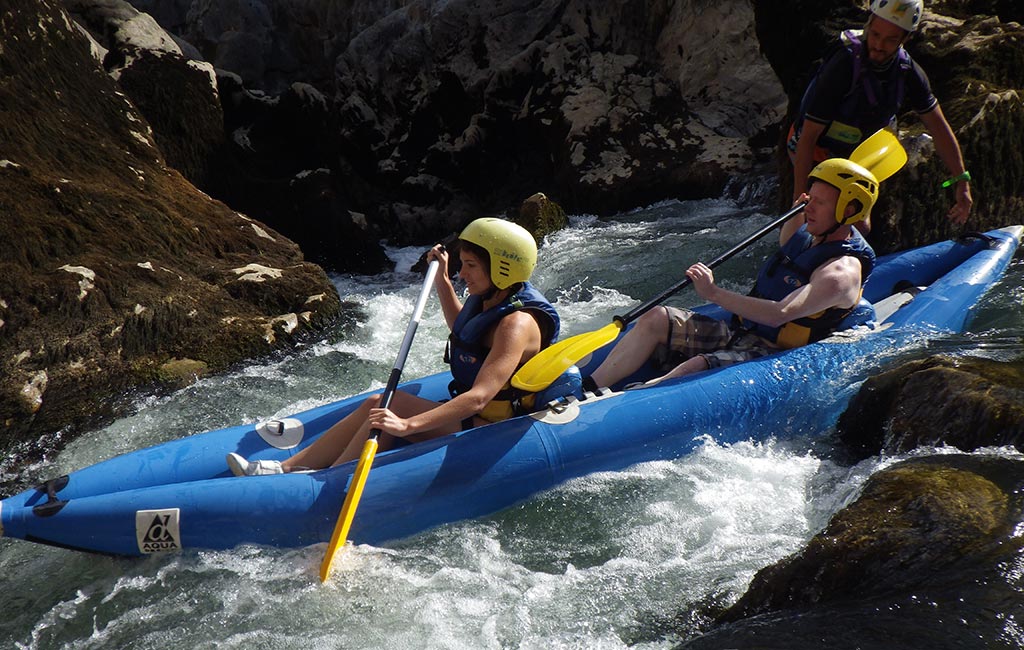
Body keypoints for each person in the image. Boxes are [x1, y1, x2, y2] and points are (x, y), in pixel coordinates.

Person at [227, 218, 561, 476]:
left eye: (471, 266)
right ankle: (286, 468)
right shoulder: (492, 299)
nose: (463, 274)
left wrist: (407, 426)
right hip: (476, 416)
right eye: (462, 264)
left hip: (493, 427)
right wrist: (442, 279)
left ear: (503, 268)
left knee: (393, 410)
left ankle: (324, 481)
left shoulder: (515, 324)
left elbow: (479, 397)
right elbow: (465, 333)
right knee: (378, 401)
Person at [583, 158, 878, 391]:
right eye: (808, 198)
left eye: (819, 203)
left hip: (774, 353)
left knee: (695, 366)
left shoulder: (840, 273)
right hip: (742, 332)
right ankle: (589, 388)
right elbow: (788, 241)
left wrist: (713, 293)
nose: (808, 207)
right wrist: (798, 209)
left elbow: (780, 314)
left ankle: (628, 403)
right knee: (656, 317)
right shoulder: (810, 234)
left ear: (848, 210)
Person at [787, 0, 971, 232]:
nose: (878, 45)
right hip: (815, 150)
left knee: (860, 224)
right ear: (868, 25)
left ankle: (846, 259)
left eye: (890, 39)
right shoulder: (842, 65)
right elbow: (809, 136)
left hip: (861, 156)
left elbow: (939, 129)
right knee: (830, 219)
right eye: (874, 34)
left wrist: (961, 181)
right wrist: (800, 200)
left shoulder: (909, 72)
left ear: (906, 40)